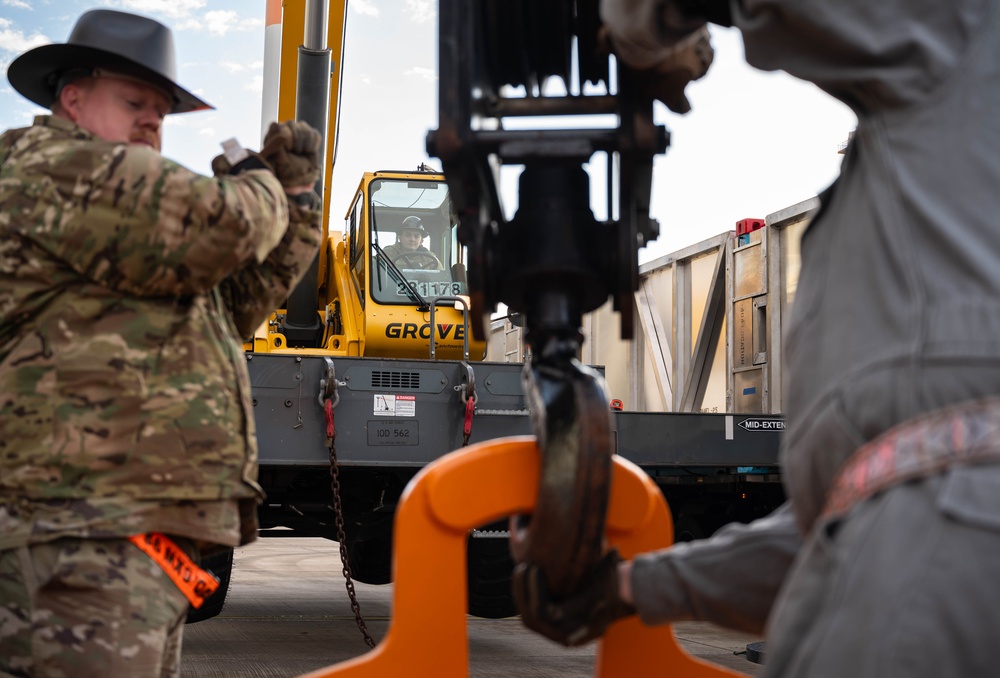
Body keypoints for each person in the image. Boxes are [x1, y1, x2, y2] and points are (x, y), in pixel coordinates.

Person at [515, 1, 1000, 675]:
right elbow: (834, 537)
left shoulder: (965, 32)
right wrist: (624, 588)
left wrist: (636, 17)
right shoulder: (935, 199)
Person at [0, 9, 323, 677]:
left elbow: (235, 302)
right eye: (135, 101)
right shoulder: (55, 168)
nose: (153, 120)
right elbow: (226, 224)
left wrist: (300, 201)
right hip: (78, 526)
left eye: (163, 110)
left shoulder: (136, 237)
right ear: (73, 98)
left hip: (133, 529)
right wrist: (262, 182)